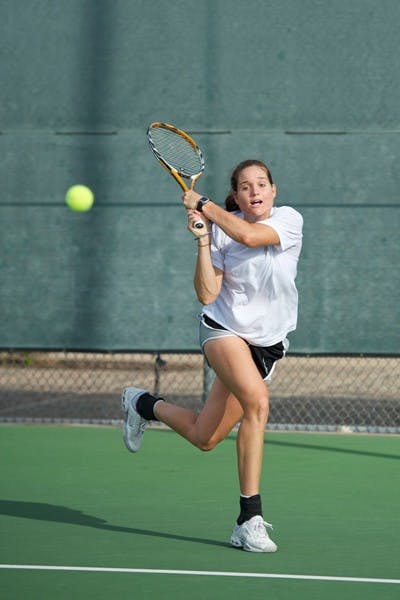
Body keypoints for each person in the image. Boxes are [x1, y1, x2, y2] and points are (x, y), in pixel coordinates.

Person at [121, 159, 303, 553]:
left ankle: (143, 404)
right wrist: (204, 239)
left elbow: (252, 238)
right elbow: (206, 295)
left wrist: (205, 207)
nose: (254, 191)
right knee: (258, 402)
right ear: (236, 196)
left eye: (261, 184)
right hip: (223, 330)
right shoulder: (221, 230)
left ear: (274, 190)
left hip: (267, 345)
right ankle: (248, 519)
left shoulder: (289, 220)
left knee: (206, 436)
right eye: (245, 186)